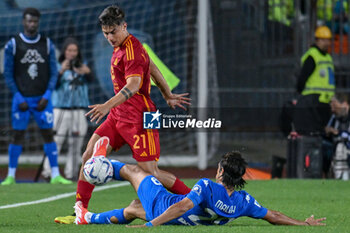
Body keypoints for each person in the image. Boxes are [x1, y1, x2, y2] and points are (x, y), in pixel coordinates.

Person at [54, 5, 191, 224]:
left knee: (150, 175)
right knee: (89, 155)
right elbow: (153, 67)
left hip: (142, 117)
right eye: (105, 32)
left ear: (124, 26)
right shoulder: (123, 46)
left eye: (113, 32)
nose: (109, 37)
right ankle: (79, 212)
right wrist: (167, 94)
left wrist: (107, 105)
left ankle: (193, 200)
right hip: (119, 115)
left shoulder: (132, 49)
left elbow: (134, 84)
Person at [73, 137, 326, 227]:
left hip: (163, 206)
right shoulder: (242, 202)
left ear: (220, 171)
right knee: (133, 208)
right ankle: (87, 218)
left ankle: (98, 163)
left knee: (133, 170)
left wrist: (151, 225)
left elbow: (181, 206)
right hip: (176, 218)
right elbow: (273, 215)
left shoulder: (207, 186)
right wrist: (303, 222)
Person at [1, 8, 72, 185]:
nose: (31, 24)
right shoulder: (13, 44)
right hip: (22, 100)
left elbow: (54, 73)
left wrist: (47, 95)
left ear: (38, 22)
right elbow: (8, 74)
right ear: (23, 22)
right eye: (29, 21)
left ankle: (55, 174)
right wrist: (18, 97)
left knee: (48, 134)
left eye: (34, 21)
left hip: (42, 99)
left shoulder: (47, 44)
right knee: (17, 135)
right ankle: (10, 176)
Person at [41, 37, 93, 180]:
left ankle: (71, 173)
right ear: (64, 51)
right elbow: (51, 85)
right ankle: (48, 172)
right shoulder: (57, 65)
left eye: (75, 50)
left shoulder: (82, 65)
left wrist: (87, 72)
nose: (72, 53)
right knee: (56, 142)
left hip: (78, 109)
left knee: (76, 144)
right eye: (69, 50)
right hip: (60, 109)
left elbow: (91, 79)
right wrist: (61, 71)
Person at [294, 25, 334, 135]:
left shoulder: (328, 57)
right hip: (313, 101)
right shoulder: (312, 56)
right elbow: (302, 78)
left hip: (325, 102)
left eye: (328, 40)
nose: (326, 43)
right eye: (323, 40)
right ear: (317, 40)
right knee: (316, 133)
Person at [324, 93, 350, 179]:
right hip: (336, 151)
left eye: (335, 105)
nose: (333, 109)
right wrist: (327, 131)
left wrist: (338, 133)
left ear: (344, 104)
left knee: (341, 146)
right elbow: (327, 131)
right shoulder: (335, 117)